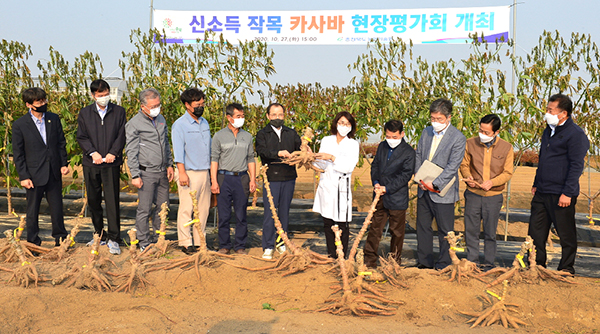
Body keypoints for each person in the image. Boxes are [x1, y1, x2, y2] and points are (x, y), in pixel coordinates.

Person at [528, 94, 589, 275]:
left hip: (561, 193)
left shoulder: (576, 134)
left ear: (563, 113)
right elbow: (543, 159)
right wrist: (536, 183)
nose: (546, 113)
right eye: (547, 109)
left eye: (550, 110)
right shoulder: (548, 130)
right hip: (542, 191)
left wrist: (568, 193)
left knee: (565, 233)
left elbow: (576, 166)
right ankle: (537, 266)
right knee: (535, 231)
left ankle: (566, 268)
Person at [12, 87, 69, 247]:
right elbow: (18, 153)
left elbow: (60, 143)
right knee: (33, 211)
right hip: (33, 174)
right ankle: (33, 242)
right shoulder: (20, 125)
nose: (43, 103)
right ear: (29, 104)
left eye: (44, 100)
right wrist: (23, 176)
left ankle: (61, 239)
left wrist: (63, 164)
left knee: (57, 208)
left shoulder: (53, 119)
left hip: (53, 172)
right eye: (39, 101)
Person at [414, 98, 466, 270]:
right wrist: (420, 179)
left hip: (443, 192)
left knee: (445, 231)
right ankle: (424, 262)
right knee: (423, 228)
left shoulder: (458, 138)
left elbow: (453, 166)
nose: (435, 122)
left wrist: (434, 184)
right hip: (423, 189)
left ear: (448, 117)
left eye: (439, 119)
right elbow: (419, 155)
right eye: (433, 118)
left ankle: (444, 263)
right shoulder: (426, 132)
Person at [76, 79, 127, 255]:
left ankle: (114, 238)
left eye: (106, 94)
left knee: (112, 200)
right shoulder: (85, 113)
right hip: (92, 163)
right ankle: (99, 234)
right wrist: (93, 153)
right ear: (93, 96)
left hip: (111, 163)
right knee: (93, 199)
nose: (104, 98)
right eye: (100, 95)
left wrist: (114, 152)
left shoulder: (119, 112)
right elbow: (81, 136)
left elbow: (121, 135)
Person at [459, 114, 513, 271]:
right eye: (481, 130)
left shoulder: (506, 148)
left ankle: (489, 263)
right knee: (471, 230)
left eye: (486, 132)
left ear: (496, 132)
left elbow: (507, 173)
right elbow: (464, 165)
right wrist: (467, 176)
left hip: (493, 197)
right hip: (473, 195)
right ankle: (472, 262)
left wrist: (492, 183)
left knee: (490, 232)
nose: (482, 134)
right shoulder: (469, 143)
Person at [125, 88, 174, 251]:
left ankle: (159, 238)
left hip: (162, 172)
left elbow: (166, 144)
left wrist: (169, 164)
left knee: (162, 208)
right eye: (153, 106)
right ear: (143, 106)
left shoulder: (161, 119)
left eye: (158, 105)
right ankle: (143, 241)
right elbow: (131, 150)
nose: (156, 108)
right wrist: (135, 174)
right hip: (145, 173)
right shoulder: (134, 124)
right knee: (144, 209)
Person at [364, 120, 415, 268]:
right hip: (379, 196)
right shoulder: (382, 146)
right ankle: (369, 261)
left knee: (397, 233)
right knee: (374, 230)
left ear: (402, 134)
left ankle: (394, 262)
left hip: (396, 197)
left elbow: (405, 176)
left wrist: (387, 188)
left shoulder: (408, 152)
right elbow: (375, 166)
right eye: (388, 136)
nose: (391, 140)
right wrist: (376, 182)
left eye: (394, 137)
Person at [255, 103, 301, 259]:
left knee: (283, 212)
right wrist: (278, 153)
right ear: (268, 116)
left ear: (284, 116)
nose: (277, 118)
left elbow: (299, 148)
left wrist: (305, 150)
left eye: (280, 115)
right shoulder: (263, 134)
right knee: (270, 212)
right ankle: (268, 245)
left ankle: (281, 243)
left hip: (288, 177)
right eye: (274, 115)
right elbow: (262, 151)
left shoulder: (291, 133)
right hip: (271, 178)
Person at [211, 103, 256, 255]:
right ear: (229, 117)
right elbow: (214, 159)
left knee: (241, 214)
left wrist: (253, 179)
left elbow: (251, 158)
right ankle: (224, 245)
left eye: (242, 116)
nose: (241, 119)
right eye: (238, 116)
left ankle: (240, 246)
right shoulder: (219, 136)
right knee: (223, 215)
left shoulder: (247, 136)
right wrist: (214, 181)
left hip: (242, 178)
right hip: (224, 177)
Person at [313, 111, 359, 259]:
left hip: (341, 187)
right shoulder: (326, 140)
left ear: (351, 127)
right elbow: (320, 163)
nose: (343, 126)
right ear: (335, 124)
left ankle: (342, 256)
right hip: (326, 185)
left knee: (342, 224)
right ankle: (331, 255)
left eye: (347, 124)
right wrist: (310, 156)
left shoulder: (353, 144)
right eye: (341, 123)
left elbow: (348, 167)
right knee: (327, 222)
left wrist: (332, 157)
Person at [172, 88, 211, 255]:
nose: (201, 107)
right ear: (187, 105)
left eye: (202, 104)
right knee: (187, 209)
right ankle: (186, 242)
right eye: (197, 104)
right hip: (189, 172)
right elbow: (178, 151)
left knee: (203, 210)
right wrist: (181, 173)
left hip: (205, 172)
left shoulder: (204, 123)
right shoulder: (180, 125)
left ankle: (199, 241)